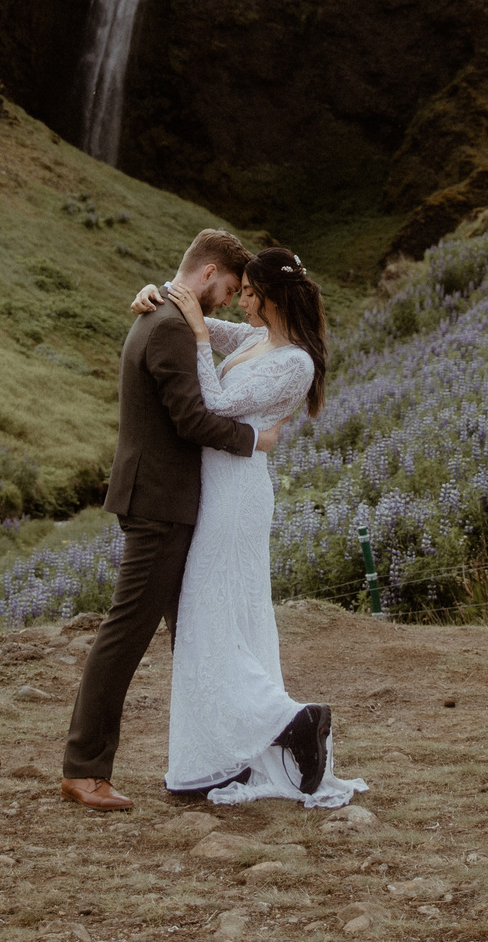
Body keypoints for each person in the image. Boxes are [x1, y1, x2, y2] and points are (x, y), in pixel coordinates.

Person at [59, 230, 280, 811]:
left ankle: (214, 759)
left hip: (165, 501)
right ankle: (84, 770)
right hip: (158, 505)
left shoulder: (161, 313)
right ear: (207, 273)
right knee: (127, 631)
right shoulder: (171, 327)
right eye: (228, 288)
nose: (229, 300)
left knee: (197, 631)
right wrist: (255, 439)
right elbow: (191, 420)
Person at [139, 247, 364, 808]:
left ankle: (289, 721)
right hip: (219, 487)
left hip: (236, 496)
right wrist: (154, 294)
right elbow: (193, 311)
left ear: (271, 297)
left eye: (247, 293)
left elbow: (215, 404)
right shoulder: (255, 339)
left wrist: (196, 336)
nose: (239, 301)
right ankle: (219, 759)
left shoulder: (295, 363)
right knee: (222, 616)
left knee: (209, 615)